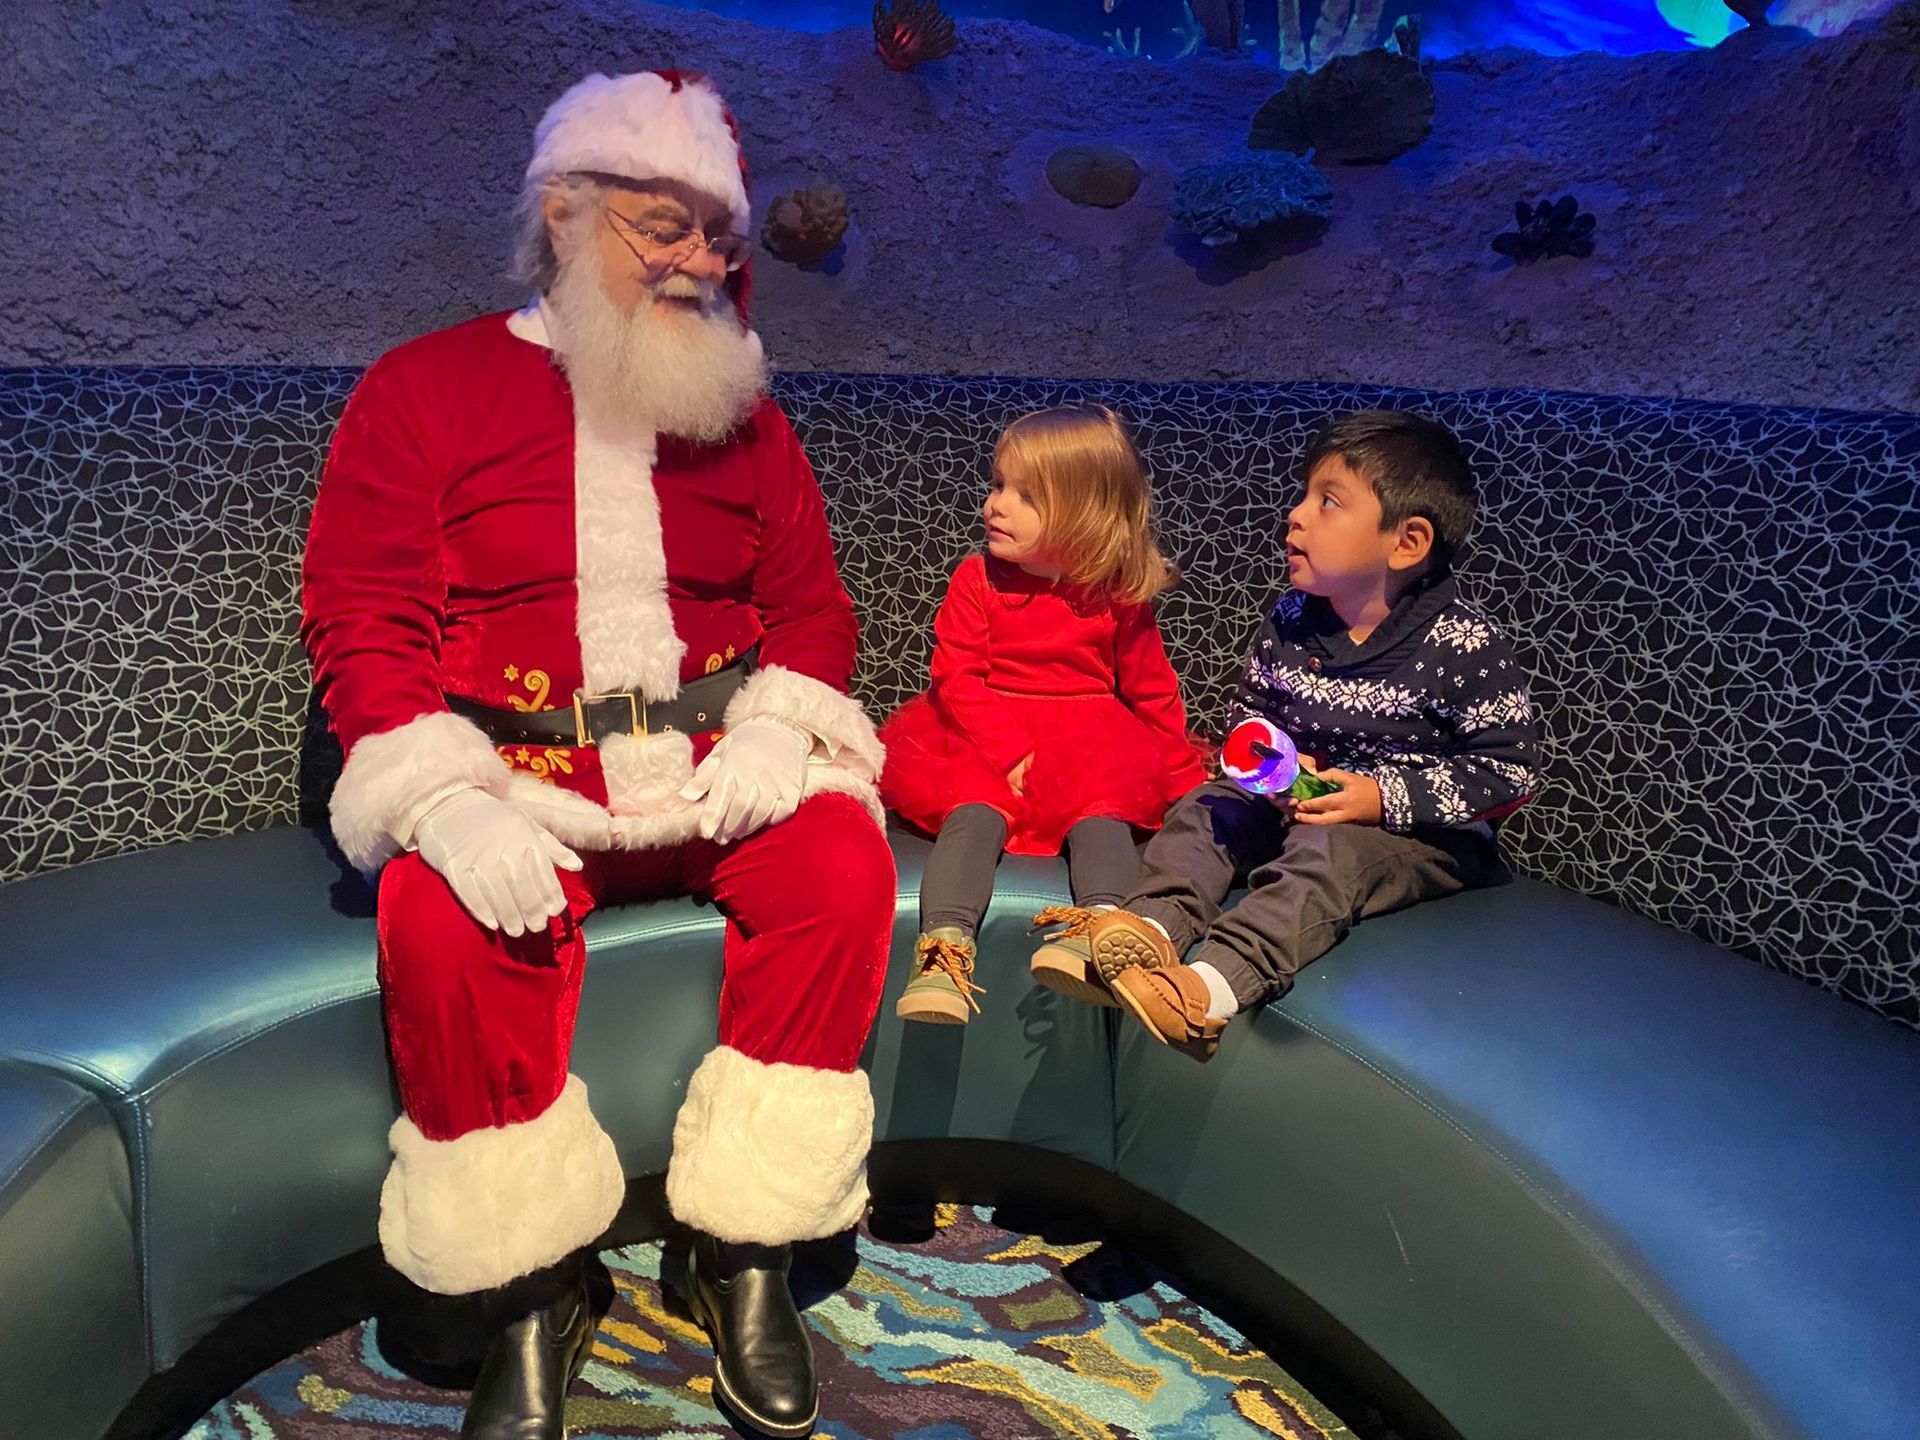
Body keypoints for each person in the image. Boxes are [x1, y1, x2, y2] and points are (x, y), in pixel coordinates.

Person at [301, 70, 892, 1439]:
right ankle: (530, 1286)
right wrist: (445, 804)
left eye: (716, 239)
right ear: (564, 213)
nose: (697, 263)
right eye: (659, 226)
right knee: (440, 913)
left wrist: (769, 722)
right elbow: (363, 612)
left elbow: (813, 607)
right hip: (520, 782)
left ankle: (744, 1247)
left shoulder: (745, 413)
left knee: (844, 861)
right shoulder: (425, 388)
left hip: (711, 774)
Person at [1061, 409, 1541, 1059]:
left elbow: (1508, 775)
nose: (1297, 515)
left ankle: (1209, 989)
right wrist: (1273, 764)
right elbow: (1252, 716)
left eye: (1328, 502)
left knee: (1332, 853)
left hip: (1414, 838)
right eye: (1302, 496)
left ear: (1407, 542)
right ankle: (1150, 932)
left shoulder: (1464, 643)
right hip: (1297, 802)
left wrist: (1379, 797)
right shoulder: (1292, 617)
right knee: (1207, 810)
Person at [879, 407, 1205, 1023]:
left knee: (1103, 818)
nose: (997, 504)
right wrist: (1008, 752)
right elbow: (956, 676)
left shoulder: (1115, 595)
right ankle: (943, 954)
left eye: (1026, 496)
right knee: (971, 818)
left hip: (1090, 742)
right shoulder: (976, 579)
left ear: (1086, 513)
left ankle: (1102, 932)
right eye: (998, 483)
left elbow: (1152, 692)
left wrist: (1183, 779)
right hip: (980, 729)